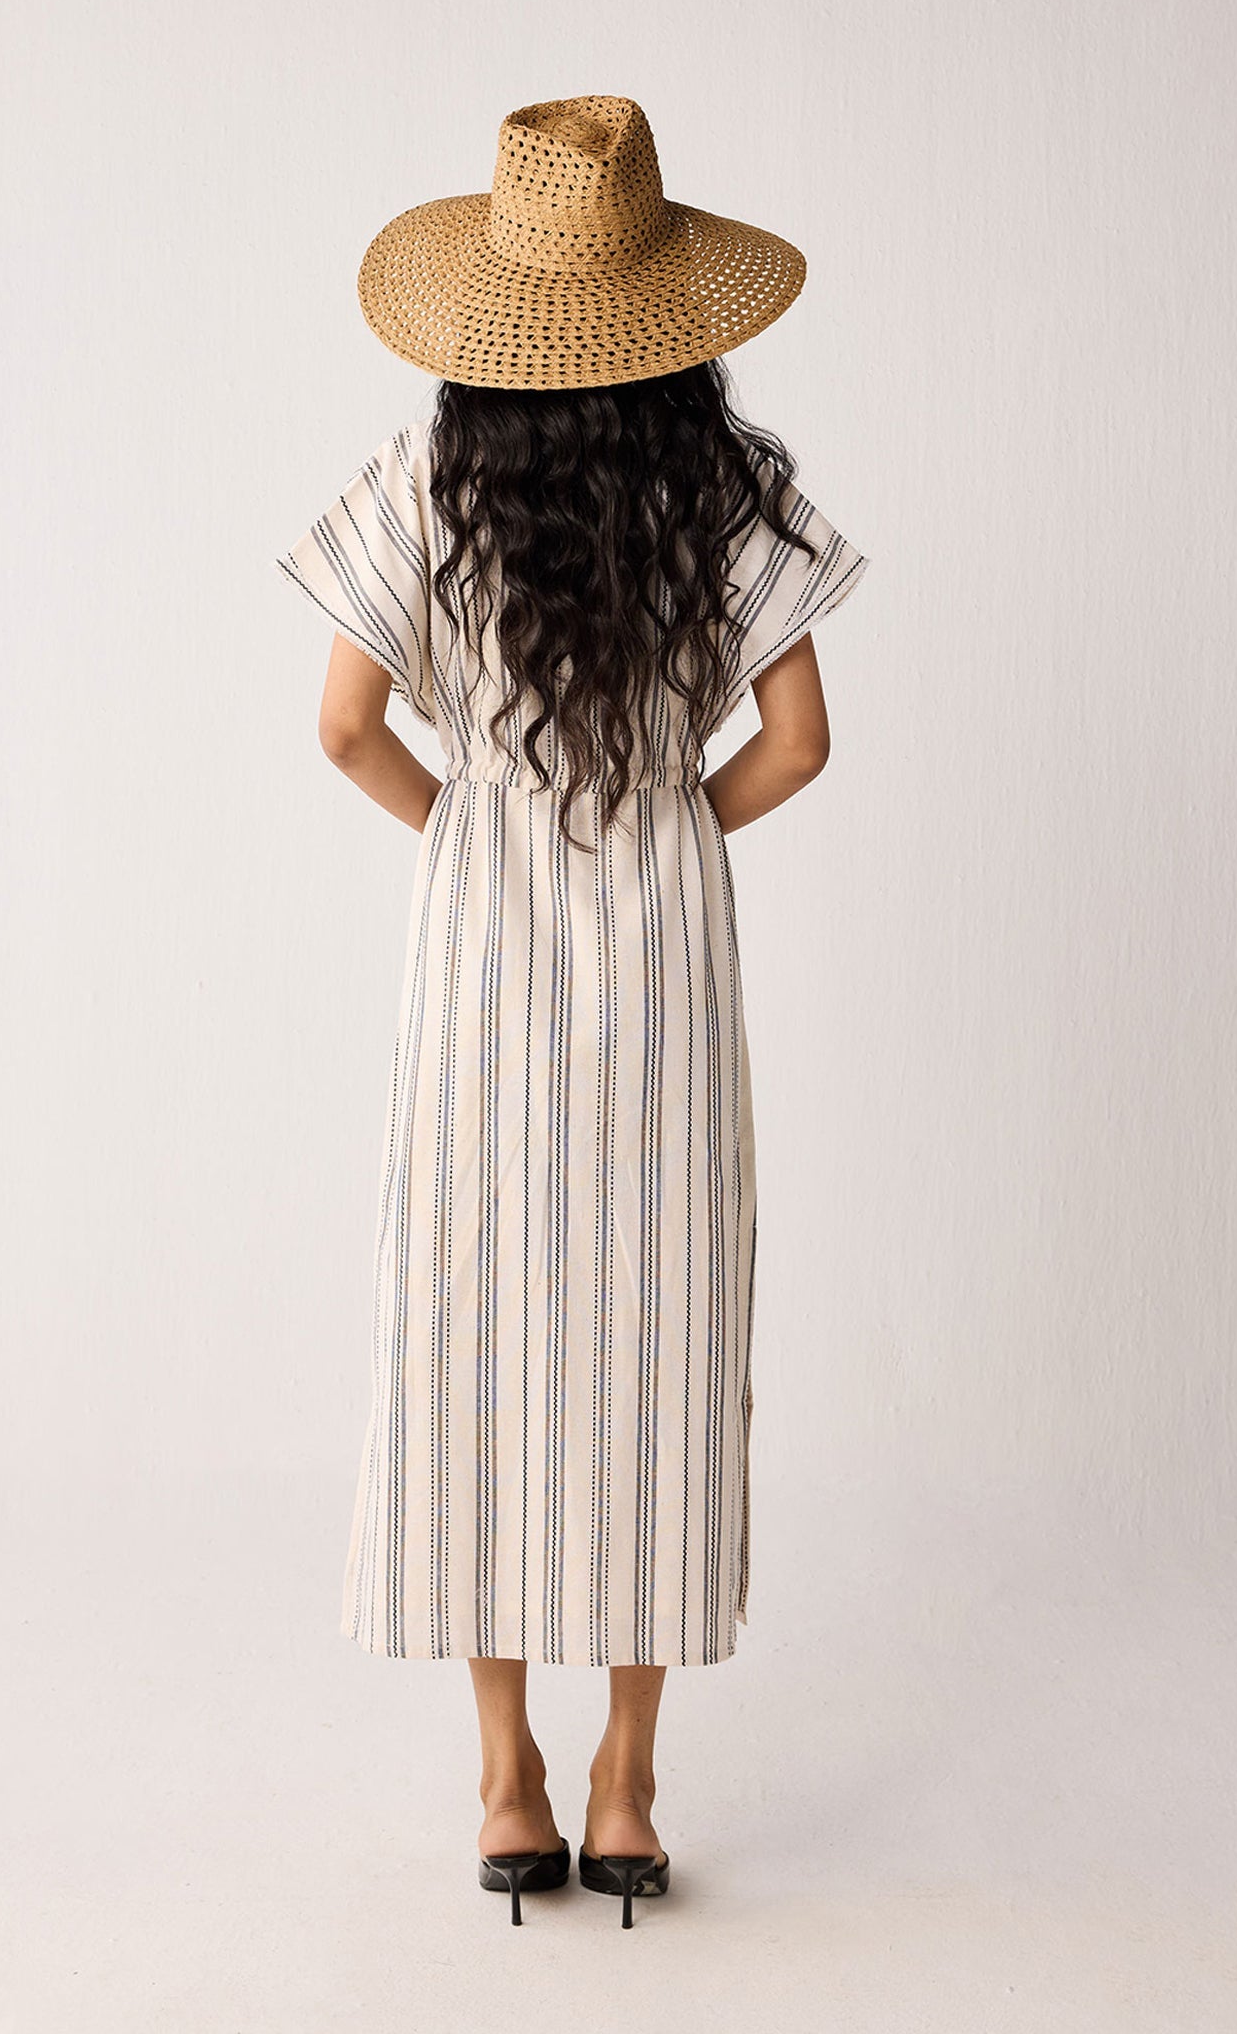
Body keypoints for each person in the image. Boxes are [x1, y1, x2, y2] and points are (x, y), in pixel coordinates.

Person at [275, 94, 871, 1929]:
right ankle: (628, 1784)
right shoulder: (728, 490)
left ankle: (503, 1781)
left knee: (471, 1333)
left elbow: (344, 727)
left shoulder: (423, 479)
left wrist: (472, 823)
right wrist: (670, 819)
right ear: (666, 302)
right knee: (655, 1342)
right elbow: (800, 743)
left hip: (480, 953)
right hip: (663, 958)